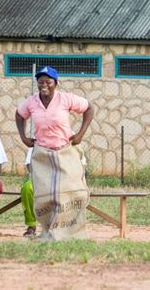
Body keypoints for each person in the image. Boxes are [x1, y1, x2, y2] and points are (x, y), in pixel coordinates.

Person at [15, 66, 94, 241]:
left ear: (56, 83)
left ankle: (70, 231)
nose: (44, 85)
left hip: (65, 151)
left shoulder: (66, 99)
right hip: (43, 154)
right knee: (45, 193)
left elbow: (89, 108)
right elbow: (20, 115)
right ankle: (49, 229)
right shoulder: (32, 102)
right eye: (40, 81)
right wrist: (23, 137)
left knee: (71, 192)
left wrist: (80, 134)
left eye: (48, 81)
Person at [20, 147, 36, 238]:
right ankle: (31, 224)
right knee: (27, 188)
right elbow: (29, 165)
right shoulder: (37, 139)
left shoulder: (67, 136)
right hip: (37, 178)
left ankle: (59, 225)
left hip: (59, 179)